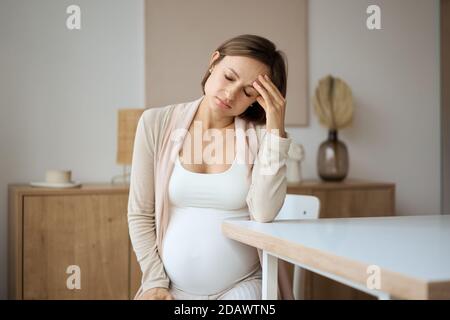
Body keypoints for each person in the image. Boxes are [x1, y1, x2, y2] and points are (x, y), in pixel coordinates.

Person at [128, 34, 294, 300]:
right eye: (229, 77)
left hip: (242, 287)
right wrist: (154, 281)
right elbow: (140, 215)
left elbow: (263, 213)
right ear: (214, 61)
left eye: (248, 92)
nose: (231, 94)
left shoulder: (261, 137)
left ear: (257, 100)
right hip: (169, 288)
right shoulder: (155, 123)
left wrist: (276, 129)